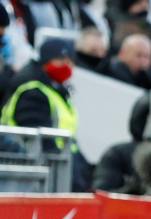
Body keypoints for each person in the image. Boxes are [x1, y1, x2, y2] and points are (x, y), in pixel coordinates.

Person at [0, 38, 89, 191]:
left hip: (59, 168)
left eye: (70, 62)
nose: (66, 66)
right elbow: (42, 141)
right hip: (36, 173)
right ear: (45, 62)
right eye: (60, 60)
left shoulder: (58, 90)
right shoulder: (33, 91)